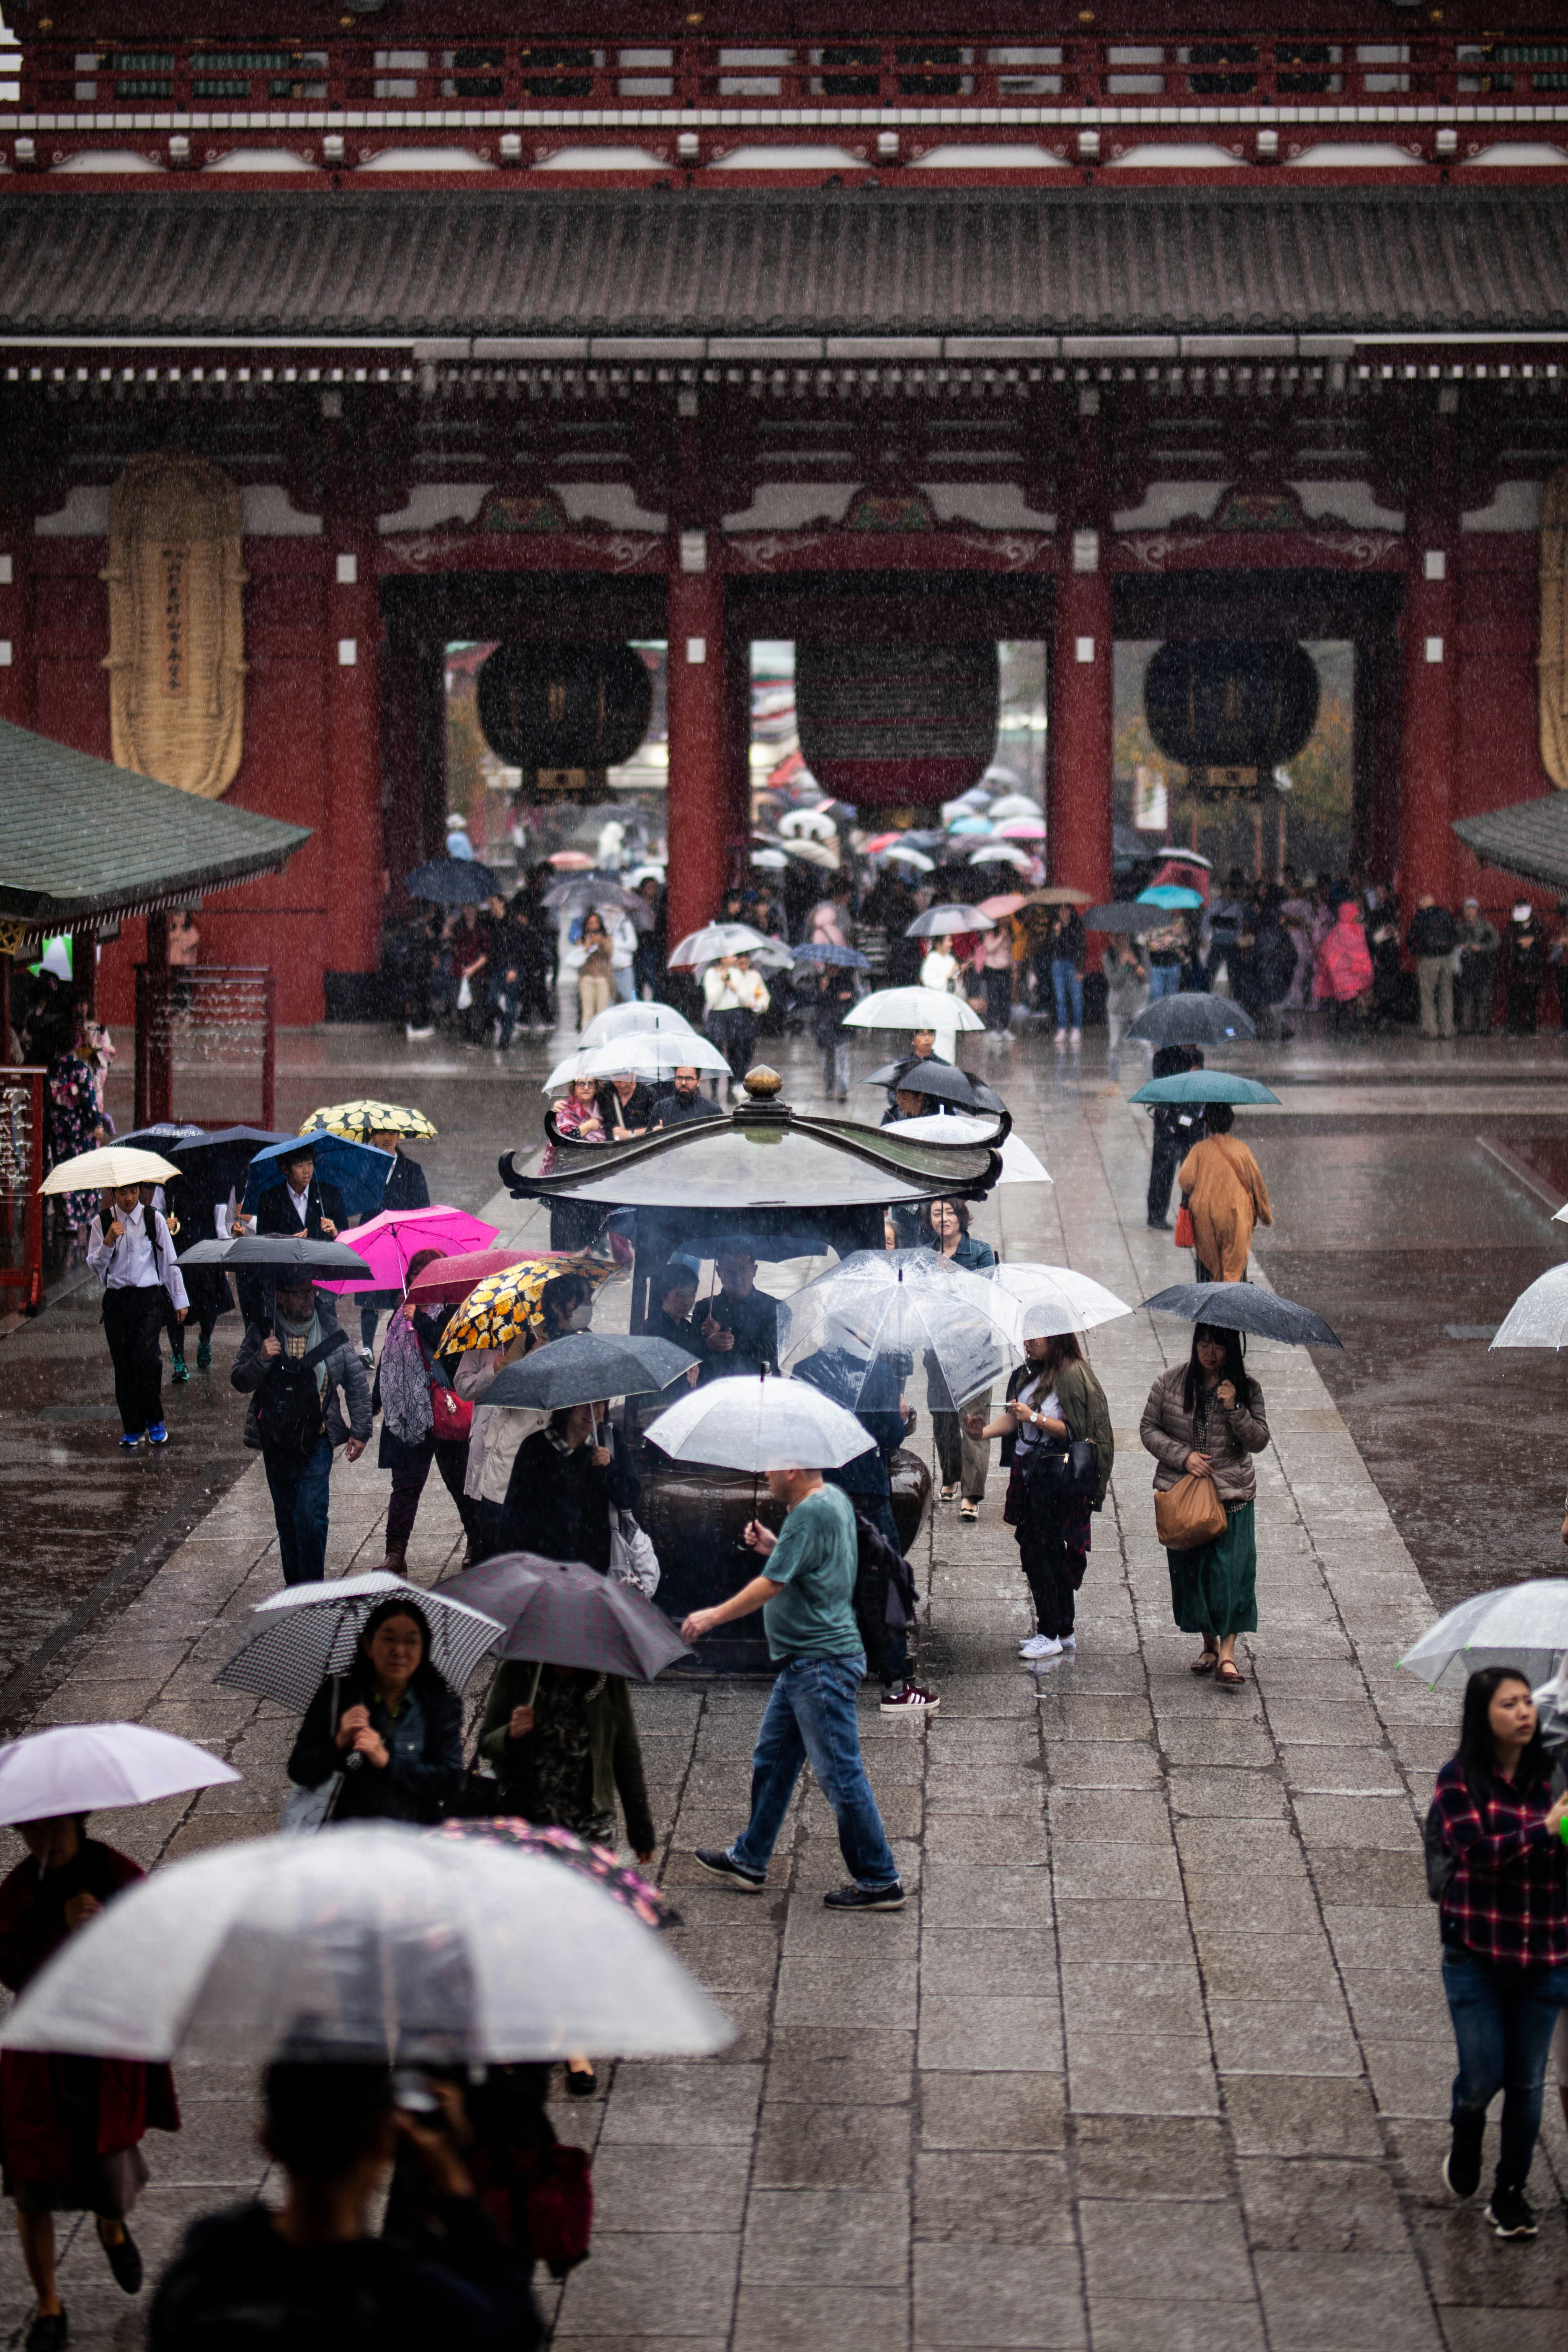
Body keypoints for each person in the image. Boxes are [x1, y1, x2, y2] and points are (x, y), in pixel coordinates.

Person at [148, 2053, 540, 2351]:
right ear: (380, 2142)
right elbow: (518, 2323)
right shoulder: (410, 2299)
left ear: (268, 2140)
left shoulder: (206, 2271)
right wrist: (455, 2186)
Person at [683, 1462, 905, 1910]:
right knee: (774, 1762)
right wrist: (772, 1544)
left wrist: (712, 1616)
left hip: (820, 1667)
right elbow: (812, 1566)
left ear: (794, 1468)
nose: (766, 1473)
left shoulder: (810, 1513)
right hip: (803, 1665)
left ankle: (880, 1880)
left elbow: (772, 1584)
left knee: (840, 1776)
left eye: (773, 1465)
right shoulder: (831, 1499)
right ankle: (750, 1858)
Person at [0, 1814, 179, 2352]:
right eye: (29, 1834)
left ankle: (111, 2226)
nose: (42, 1844)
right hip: (40, 2061)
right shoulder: (17, 1890)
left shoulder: (118, 1876)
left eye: (52, 1831)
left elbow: (156, 1956)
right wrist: (61, 1932)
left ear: (78, 1822)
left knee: (108, 2178)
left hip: (104, 2057)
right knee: (30, 2188)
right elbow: (13, 1970)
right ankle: (49, 2305)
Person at [1429, 1666, 1568, 2239]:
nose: (1523, 1713)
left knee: (1528, 2082)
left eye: (1526, 1703)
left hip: (1545, 1956)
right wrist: (1544, 1831)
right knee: (1484, 2074)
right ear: (1482, 1715)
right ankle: (1467, 2130)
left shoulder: (1553, 1778)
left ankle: (1511, 2192)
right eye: (1508, 1704)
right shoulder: (1459, 1779)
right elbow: (1478, 1852)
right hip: (1478, 1954)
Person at [794, 1341, 936, 1714]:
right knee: (885, 1588)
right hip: (866, 1492)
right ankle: (894, 1686)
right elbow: (891, 1435)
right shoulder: (877, 1373)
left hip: (821, 1491)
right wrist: (900, 1415)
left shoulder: (806, 1370)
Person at [968, 1328, 1113, 1663]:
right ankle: (1063, 1629)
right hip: (1031, 1473)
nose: (1028, 1343)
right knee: (1041, 1550)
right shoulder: (1029, 1373)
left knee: (1043, 1553)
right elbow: (1013, 1416)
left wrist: (1035, 1418)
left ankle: (1049, 1632)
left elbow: (1079, 1432)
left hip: (1057, 1479)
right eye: (1026, 1337)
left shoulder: (1073, 1376)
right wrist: (982, 1433)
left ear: (1056, 1339)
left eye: (1036, 1338)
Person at [1140, 1322, 1269, 1691]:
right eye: (1204, 1344)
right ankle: (1210, 1647)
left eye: (1218, 1346)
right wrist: (1184, 1457)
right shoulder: (1170, 1382)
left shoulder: (1247, 1390)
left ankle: (1228, 1655)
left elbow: (1258, 1441)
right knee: (1192, 1575)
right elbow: (1149, 1428)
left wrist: (1235, 1409)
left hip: (1232, 1494)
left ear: (1232, 1350)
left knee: (1231, 1576)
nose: (1209, 1352)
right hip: (1184, 1493)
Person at [232, 1275, 370, 1585]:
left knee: (311, 1517)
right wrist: (261, 1358)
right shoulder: (262, 1331)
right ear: (280, 1297)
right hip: (276, 1442)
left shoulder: (330, 1329)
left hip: (317, 1441)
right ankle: (296, 1591)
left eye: (311, 1292)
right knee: (287, 1521)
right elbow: (240, 1380)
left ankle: (312, 1592)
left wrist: (360, 1431)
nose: (309, 1299)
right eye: (299, 1294)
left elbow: (357, 1383)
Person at [287, 1594, 464, 1825]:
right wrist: (338, 1743)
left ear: (423, 1651)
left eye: (411, 1641)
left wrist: (388, 1762)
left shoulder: (441, 1704)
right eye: (389, 1639)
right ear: (368, 1645)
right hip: (347, 1840)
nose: (399, 1650)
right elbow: (299, 1770)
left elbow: (451, 1783)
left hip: (414, 1840)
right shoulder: (339, 1695)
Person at [462, 1272, 591, 1560]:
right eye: (580, 1301)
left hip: (565, 1449)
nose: (587, 1308)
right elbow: (501, 1391)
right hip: (517, 1450)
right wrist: (529, 1361)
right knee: (508, 1539)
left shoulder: (588, 1342)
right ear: (557, 1306)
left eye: (589, 1301)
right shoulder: (529, 1338)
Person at [376, 1249, 479, 1574]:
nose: (417, 1285)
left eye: (424, 1279)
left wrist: (418, 1320)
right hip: (409, 1415)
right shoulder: (399, 1315)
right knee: (405, 1485)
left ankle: (478, 1542)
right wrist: (372, 1406)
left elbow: (451, 1352)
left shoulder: (452, 1311)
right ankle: (395, 1554)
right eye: (412, 1279)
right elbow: (388, 1362)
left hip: (443, 1411)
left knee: (462, 1483)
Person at [88, 1181, 188, 1449]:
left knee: (148, 1359)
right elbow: (96, 1267)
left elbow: (170, 1260)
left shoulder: (153, 1219)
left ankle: (154, 1420)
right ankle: (132, 1426)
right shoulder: (103, 1222)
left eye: (133, 1192)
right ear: (113, 1193)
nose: (129, 1198)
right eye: (122, 1193)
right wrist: (108, 1242)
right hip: (117, 1302)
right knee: (124, 1366)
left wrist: (180, 1300)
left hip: (148, 1300)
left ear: (141, 1192)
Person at [496, 1402, 640, 1573]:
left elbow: (630, 1497)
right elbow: (514, 1515)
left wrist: (609, 1468)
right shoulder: (535, 1447)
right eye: (585, 1405)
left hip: (597, 1566)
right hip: (544, 1565)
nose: (593, 1411)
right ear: (566, 1407)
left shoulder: (610, 1440)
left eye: (600, 1403)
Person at [921, 1198, 995, 1523]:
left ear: (962, 1217)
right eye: (938, 1214)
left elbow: (982, 1299)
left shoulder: (980, 1252)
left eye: (950, 1212)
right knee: (944, 1418)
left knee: (973, 1421)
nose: (944, 1219)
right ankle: (950, 1475)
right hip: (938, 1350)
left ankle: (971, 1493)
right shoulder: (925, 1256)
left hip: (976, 1351)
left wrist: (950, 1277)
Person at [354, 1127, 432, 1367]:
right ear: (373, 1136)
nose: (386, 1138)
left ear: (399, 1136)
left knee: (400, 1295)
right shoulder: (366, 1167)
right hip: (373, 1235)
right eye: (380, 1133)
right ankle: (367, 1348)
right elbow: (357, 1200)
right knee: (369, 1295)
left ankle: (398, 1345)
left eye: (391, 1133)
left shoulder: (411, 1170)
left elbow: (422, 1207)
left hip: (402, 1240)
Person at [1177, 1103, 1272, 1284]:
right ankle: (1234, 1300)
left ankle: (1207, 1298)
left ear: (1206, 1124)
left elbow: (1186, 1182)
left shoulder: (1199, 1150)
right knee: (1235, 1264)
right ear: (1232, 1122)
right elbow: (1257, 1184)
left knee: (1208, 1263)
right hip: (1237, 1215)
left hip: (1205, 1217)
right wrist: (1265, 1215)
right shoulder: (1242, 1149)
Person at [698, 1246, 780, 1380]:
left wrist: (728, 1340)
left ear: (754, 1271)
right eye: (730, 1272)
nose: (737, 1278)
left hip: (760, 1387)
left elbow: (772, 1353)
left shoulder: (774, 1308)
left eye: (743, 1271)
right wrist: (707, 1343)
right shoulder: (705, 1310)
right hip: (715, 1389)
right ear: (718, 1272)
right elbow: (692, 1351)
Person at [1145, 1044, 1204, 1231]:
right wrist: (1187, 1075)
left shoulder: (1197, 1057)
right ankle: (1156, 1214)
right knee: (1164, 1168)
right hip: (1169, 1122)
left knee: (1191, 1171)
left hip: (1192, 1121)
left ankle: (1189, 1214)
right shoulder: (1163, 1057)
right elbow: (1164, 1087)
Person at [244, 1147, 345, 1244]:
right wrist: (287, 1244)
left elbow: (346, 1233)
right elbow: (264, 1240)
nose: (307, 1171)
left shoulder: (329, 1193)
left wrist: (336, 1233)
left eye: (310, 1164)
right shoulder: (270, 1199)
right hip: (288, 1260)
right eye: (300, 1166)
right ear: (285, 1169)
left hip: (322, 1258)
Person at [703, 951, 769, 1088]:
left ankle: (733, 1085)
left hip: (736, 1015)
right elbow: (713, 1000)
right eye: (732, 956)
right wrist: (722, 982)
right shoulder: (711, 974)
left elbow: (745, 998)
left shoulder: (737, 973)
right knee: (716, 1052)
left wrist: (733, 987)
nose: (735, 959)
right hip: (718, 1016)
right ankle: (714, 1087)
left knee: (737, 1052)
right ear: (723, 958)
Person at [1313, 901, 1373, 1037]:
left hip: (1341, 977)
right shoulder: (1356, 930)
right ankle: (1353, 1032)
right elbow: (1361, 952)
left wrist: (1333, 968)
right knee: (1351, 1005)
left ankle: (1338, 1031)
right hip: (1353, 975)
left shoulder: (1338, 931)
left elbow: (1327, 951)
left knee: (1341, 1005)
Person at [1406, 891, 1459, 1040]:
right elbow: (1455, 933)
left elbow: (1410, 938)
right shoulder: (1446, 914)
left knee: (1427, 996)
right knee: (1446, 993)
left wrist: (1416, 952)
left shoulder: (1420, 916)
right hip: (1447, 958)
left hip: (1429, 958)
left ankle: (1431, 1030)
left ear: (1423, 904)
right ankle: (1447, 1029)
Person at [810, 962, 856, 1100]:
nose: (833, 970)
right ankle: (829, 1089)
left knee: (842, 1060)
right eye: (830, 967)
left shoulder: (847, 981)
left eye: (836, 967)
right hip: (826, 1027)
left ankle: (842, 1090)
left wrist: (840, 997)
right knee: (828, 1062)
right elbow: (816, 1001)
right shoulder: (820, 981)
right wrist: (824, 990)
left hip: (842, 1027)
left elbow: (851, 1001)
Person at [563, 911, 616, 1030]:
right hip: (587, 978)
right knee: (588, 1012)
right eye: (591, 923)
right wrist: (586, 947)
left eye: (596, 923)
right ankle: (586, 1038)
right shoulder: (582, 939)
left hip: (603, 977)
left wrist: (601, 943)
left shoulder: (606, 938)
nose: (593, 926)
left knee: (603, 1012)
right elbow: (578, 958)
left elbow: (609, 954)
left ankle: (602, 1037)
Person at [1456, 898, 1501, 1034]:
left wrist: (1482, 948)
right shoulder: (1460, 928)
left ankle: (1483, 1028)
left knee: (1484, 999)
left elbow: (1497, 942)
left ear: (1478, 911)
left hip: (1484, 967)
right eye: (1468, 909)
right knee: (1466, 1000)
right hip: (1467, 968)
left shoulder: (1487, 927)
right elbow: (1453, 944)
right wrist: (1461, 947)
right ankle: (1466, 1028)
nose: (1470, 912)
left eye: (1473, 909)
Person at [1102, 936, 1147, 1070]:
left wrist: (1135, 963)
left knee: (1145, 1046)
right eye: (1116, 936)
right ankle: (1113, 1082)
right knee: (1115, 1047)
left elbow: (1146, 977)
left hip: (1138, 1005)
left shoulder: (1140, 951)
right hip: (1117, 1009)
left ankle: (1151, 1079)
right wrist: (1123, 964)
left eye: (1122, 936)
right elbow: (1115, 983)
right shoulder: (1109, 956)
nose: (1119, 939)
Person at [1046, 907, 1085, 1043]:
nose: (1063, 913)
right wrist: (1056, 933)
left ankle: (1076, 1028)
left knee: (1076, 998)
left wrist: (1080, 969)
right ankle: (1062, 1028)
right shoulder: (1055, 925)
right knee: (1060, 998)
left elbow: (1082, 947)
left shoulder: (1077, 925)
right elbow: (1049, 945)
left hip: (1074, 965)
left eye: (1066, 910)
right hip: (1058, 964)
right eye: (1061, 910)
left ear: (1070, 911)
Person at [1506, 903, 1546, 1034]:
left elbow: (1546, 935)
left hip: (1533, 968)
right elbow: (1508, 941)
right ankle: (1513, 1028)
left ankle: (1530, 1028)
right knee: (1515, 1000)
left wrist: (1533, 939)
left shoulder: (1538, 925)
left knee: (1531, 1001)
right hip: (1517, 968)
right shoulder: (1512, 926)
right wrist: (1519, 941)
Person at [648, 1066, 722, 1129]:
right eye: (679, 1078)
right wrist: (657, 1135)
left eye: (689, 1079)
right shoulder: (660, 1108)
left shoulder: (712, 1110)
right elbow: (648, 1141)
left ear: (699, 1082)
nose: (683, 1083)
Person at [975, 921, 1014, 1034]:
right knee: (993, 999)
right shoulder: (990, 933)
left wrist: (1013, 966)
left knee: (1005, 1000)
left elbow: (1009, 951)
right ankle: (992, 1028)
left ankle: (1005, 1027)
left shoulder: (1008, 932)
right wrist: (1001, 937)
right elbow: (990, 949)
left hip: (1005, 970)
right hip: (993, 971)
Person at [595, 1072, 655, 1140]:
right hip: (612, 1148)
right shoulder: (606, 1093)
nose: (622, 1085)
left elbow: (658, 1127)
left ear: (634, 1076)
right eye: (618, 1082)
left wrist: (630, 1134)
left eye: (626, 1081)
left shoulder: (648, 1094)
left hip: (641, 1146)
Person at [1145, 918, 1186, 1004]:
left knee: (1172, 999)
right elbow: (1143, 940)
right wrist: (1163, 932)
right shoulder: (1151, 922)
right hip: (1156, 966)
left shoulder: (1178, 920)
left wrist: (1172, 940)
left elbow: (1186, 940)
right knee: (1156, 999)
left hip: (1174, 965)